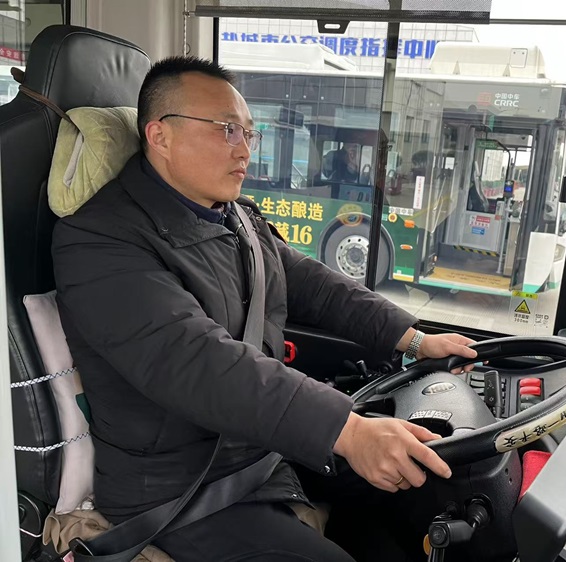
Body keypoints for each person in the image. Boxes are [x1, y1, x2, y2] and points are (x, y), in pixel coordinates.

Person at [52, 56, 478, 561]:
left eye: (249, 133)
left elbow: (313, 284)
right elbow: (199, 361)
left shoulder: (234, 218)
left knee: (428, 493)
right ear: (160, 136)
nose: (245, 149)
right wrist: (348, 430)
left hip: (259, 453)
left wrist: (414, 339)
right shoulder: (100, 241)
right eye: (227, 129)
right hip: (179, 492)